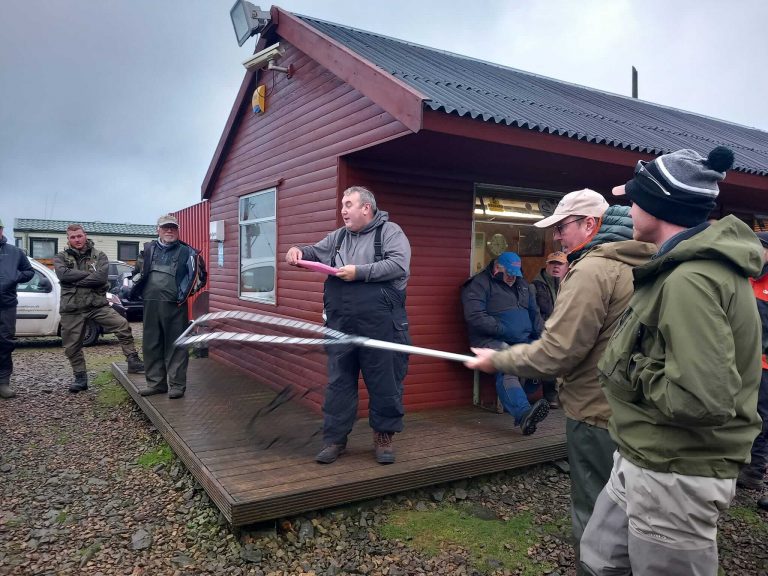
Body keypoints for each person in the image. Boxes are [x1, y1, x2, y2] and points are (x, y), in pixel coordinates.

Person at [579, 147, 763, 575]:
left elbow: (702, 400)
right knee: (599, 558)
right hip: (644, 454)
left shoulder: (691, 281)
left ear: (659, 206)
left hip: (675, 473)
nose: (629, 207)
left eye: (635, 199)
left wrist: (628, 369)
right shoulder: (680, 268)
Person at [465, 189, 656, 568]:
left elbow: (559, 351)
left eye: (562, 227)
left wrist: (503, 357)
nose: (557, 237)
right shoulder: (647, 263)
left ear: (590, 224)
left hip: (594, 410)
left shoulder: (594, 269)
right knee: (629, 506)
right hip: (634, 410)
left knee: (596, 508)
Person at [286, 186, 411, 465]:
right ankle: (334, 439)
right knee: (339, 381)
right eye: (342, 204)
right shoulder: (339, 237)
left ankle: (383, 437)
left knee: (385, 382)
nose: (343, 210)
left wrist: (359, 272)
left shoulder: (390, 232)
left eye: (348, 204)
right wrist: (298, 251)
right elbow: (314, 252)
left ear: (366, 208)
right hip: (341, 322)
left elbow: (399, 265)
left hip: (382, 324)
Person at [461, 251, 549, 434]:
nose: (512, 278)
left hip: (522, 339)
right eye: (508, 273)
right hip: (490, 340)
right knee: (508, 366)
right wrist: (503, 329)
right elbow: (475, 317)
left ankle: (529, 399)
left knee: (545, 357)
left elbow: (535, 315)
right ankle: (524, 413)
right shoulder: (478, 284)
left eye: (515, 274)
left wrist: (543, 339)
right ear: (497, 268)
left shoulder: (522, 284)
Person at [53, 224, 145, 393]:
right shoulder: (61, 257)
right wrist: (90, 277)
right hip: (72, 307)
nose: (77, 240)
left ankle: (133, 360)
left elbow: (101, 277)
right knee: (71, 346)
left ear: (85, 235)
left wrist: (76, 279)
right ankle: (80, 377)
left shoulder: (99, 255)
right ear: (68, 239)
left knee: (122, 325)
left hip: (97, 304)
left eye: (79, 236)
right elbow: (63, 275)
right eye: (73, 237)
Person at [131, 214, 206, 400]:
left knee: (177, 345)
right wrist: (136, 287)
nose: (169, 230)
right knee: (151, 344)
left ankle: (177, 385)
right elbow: (136, 273)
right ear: (158, 230)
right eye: (165, 227)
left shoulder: (188, 252)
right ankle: (156, 384)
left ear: (178, 229)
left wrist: (188, 293)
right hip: (150, 304)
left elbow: (202, 276)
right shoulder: (147, 250)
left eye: (173, 227)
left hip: (175, 305)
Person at [737, 231, 768, 511]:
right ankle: (740, 463)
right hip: (745, 360)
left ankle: (754, 472)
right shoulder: (746, 278)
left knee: (762, 417)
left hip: (765, 365)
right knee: (741, 412)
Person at [0, 218, 34, 399]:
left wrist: (15, 276)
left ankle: (3, 382)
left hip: (6, 305)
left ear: (2, 230)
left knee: (5, 343)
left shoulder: (14, 252)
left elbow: (29, 272)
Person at [530, 251, 568, 408]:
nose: (556, 267)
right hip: (546, 331)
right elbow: (535, 313)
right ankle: (551, 395)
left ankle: (565, 395)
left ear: (566, 266)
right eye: (553, 263)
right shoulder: (535, 286)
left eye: (560, 264)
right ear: (547, 265)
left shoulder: (570, 284)